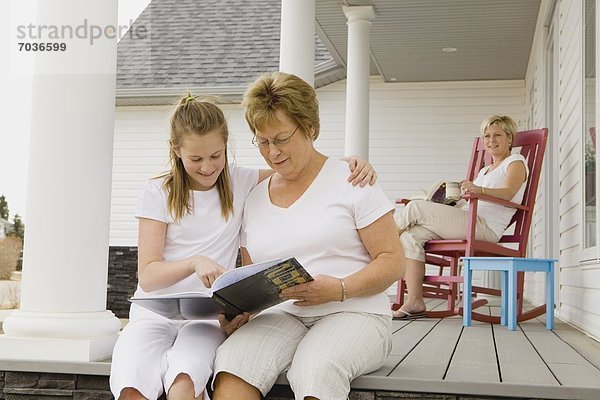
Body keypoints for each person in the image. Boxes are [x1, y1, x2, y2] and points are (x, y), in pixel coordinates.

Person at [109, 94, 377, 400]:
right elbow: (148, 276)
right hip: (154, 315)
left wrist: (349, 163)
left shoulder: (239, 180)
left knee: (185, 382)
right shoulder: (158, 192)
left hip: (206, 318)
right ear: (176, 151)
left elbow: (301, 168)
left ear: (226, 147)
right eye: (196, 159)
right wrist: (194, 262)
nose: (208, 167)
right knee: (132, 387)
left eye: (216, 155)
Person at [211, 72, 405, 400]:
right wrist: (240, 312)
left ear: (310, 128)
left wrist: (340, 290)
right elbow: (254, 275)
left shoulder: (352, 180)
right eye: (263, 141)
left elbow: (393, 261)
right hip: (282, 315)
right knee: (233, 362)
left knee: (316, 368)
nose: (273, 152)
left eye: (282, 138)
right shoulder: (254, 198)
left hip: (355, 313)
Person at [392, 115, 528, 319]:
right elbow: (475, 199)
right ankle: (415, 301)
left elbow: (508, 193)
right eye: (487, 136)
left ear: (509, 138)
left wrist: (477, 189)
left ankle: (376, 246)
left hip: (485, 228)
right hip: (468, 219)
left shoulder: (515, 162)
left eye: (497, 135)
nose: (491, 140)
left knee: (415, 209)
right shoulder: (485, 169)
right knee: (410, 236)